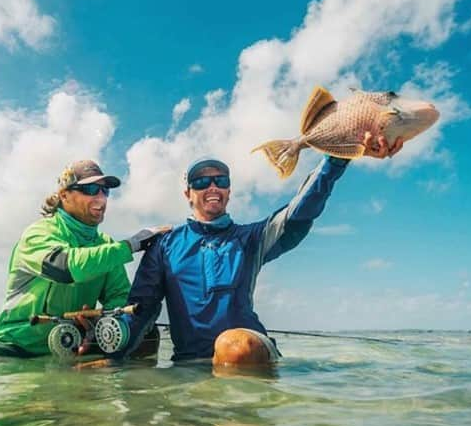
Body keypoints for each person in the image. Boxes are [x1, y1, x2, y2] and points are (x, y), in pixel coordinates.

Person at [115, 133, 402, 366]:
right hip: (190, 363)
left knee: (235, 346)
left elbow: (297, 215)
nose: (212, 186)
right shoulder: (164, 245)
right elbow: (141, 309)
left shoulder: (251, 237)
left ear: (229, 191)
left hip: (252, 352)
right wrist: (110, 355)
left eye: (221, 180)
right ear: (188, 194)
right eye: (201, 181)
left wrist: (336, 159)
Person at [0, 159, 167, 358]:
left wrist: (100, 324)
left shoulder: (107, 245)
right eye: (91, 189)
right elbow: (65, 267)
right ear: (64, 195)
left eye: (105, 191)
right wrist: (131, 245)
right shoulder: (38, 233)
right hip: (12, 348)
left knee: (148, 335)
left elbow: (119, 296)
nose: (101, 198)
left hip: (69, 349)